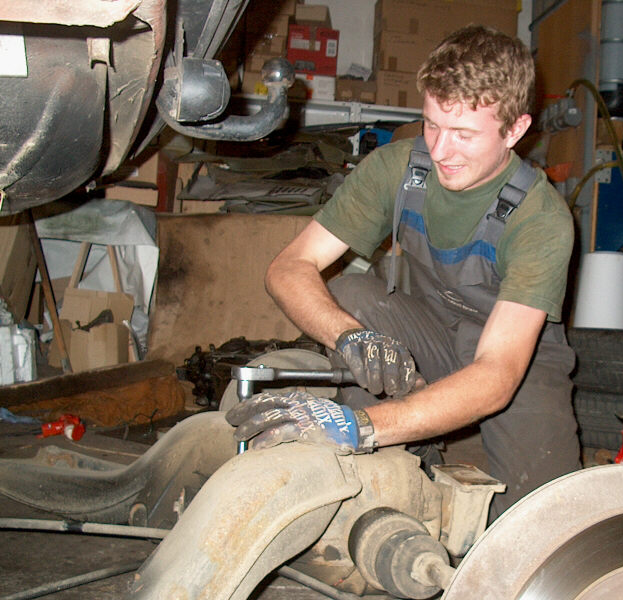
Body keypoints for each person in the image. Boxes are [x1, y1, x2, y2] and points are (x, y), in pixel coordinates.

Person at [226, 24, 581, 518]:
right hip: (430, 336)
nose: (440, 151)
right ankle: (390, 468)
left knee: (543, 519)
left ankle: (383, 428)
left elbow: (498, 374)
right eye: (432, 125)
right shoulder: (398, 169)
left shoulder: (540, 219)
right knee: (352, 295)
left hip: (515, 361)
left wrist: (360, 426)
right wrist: (348, 336)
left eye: (464, 135)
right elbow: (289, 267)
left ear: (515, 130)